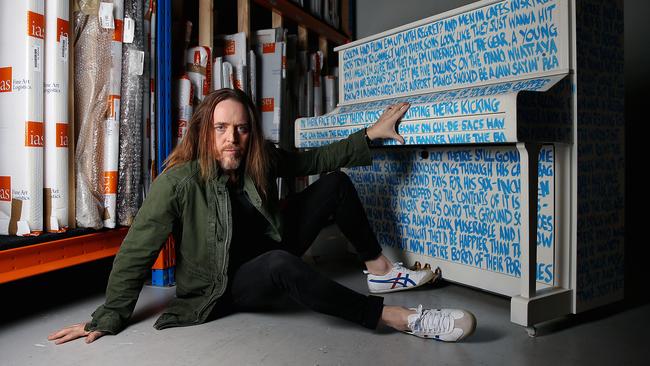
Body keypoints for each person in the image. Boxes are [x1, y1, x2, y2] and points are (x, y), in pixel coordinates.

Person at [48, 88, 475, 345]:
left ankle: (380, 270)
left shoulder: (257, 156)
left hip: (273, 249)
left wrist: (368, 135)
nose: (231, 139)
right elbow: (136, 251)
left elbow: (315, 157)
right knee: (280, 264)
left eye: (241, 128)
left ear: (251, 129)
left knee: (334, 183)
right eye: (220, 128)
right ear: (204, 130)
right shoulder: (179, 182)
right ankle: (396, 318)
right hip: (225, 285)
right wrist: (107, 317)